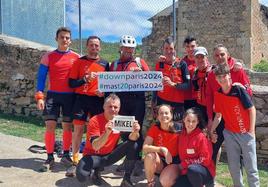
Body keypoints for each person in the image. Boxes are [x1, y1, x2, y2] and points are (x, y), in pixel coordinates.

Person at [35, 27, 79, 171]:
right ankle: (49, 157)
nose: (64, 40)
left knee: (67, 126)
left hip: (70, 96)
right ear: (56, 39)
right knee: (50, 126)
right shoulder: (48, 56)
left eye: (67, 37)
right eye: (62, 37)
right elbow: (41, 78)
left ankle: (66, 155)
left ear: (70, 40)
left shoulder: (76, 57)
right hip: (53, 95)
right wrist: (40, 96)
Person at [210, 63, 259, 187]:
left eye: (224, 76)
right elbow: (218, 116)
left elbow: (251, 109)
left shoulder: (238, 90)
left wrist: (251, 131)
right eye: (219, 77)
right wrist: (211, 130)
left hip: (246, 133)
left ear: (229, 76)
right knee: (233, 167)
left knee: (251, 168)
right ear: (216, 79)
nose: (221, 79)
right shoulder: (218, 94)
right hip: (230, 134)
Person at [75, 94, 140, 187]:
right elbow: (95, 146)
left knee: (134, 144)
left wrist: (135, 131)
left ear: (119, 108)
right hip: (93, 155)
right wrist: (107, 133)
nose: (113, 109)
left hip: (109, 156)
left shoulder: (121, 120)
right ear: (104, 107)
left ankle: (127, 179)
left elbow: (133, 139)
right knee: (82, 177)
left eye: (115, 107)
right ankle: (95, 170)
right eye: (110, 106)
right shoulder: (95, 120)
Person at [66, 36, 109, 176]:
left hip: (97, 101)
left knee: (97, 131)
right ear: (87, 46)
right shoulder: (79, 62)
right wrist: (84, 79)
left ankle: (96, 162)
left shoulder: (105, 64)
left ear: (100, 47)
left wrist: (104, 93)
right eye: (91, 45)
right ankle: (75, 161)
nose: (94, 48)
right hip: (81, 99)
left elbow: (109, 85)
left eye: (96, 45)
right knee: (78, 130)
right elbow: (71, 83)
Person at [109, 35, 150, 175]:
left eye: (131, 48)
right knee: (124, 131)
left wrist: (142, 74)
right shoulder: (114, 65)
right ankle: (127, 159)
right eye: (126, 47)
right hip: (121, 100)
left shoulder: (139, 62)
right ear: (120, 48)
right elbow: (108, 83)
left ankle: (137, 161)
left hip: (137, 100)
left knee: (136, 130)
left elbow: (151, 80)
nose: (129, 50)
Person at [206, 44, 252, 163]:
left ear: (228, 55)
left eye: (222, 54)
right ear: (214, 58)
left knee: (240, 152)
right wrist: (210, 118)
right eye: (217, 55)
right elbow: (209, 97)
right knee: (214, 146)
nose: (220, 57)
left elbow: (249, 92)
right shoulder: (211, 75)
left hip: (237, 117)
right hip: (220, 117)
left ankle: (238, 181)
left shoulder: (237, 70)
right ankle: (211, 178)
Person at [173, 108, 215, 187]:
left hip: (204, 171)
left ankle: (207, 183)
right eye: (188, 120)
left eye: (193, 121)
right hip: (187, 171)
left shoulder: (202, 137)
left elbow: (205, 160)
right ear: (184, 120)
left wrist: (186, 163)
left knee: (192, 169)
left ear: (198, 122)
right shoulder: (181, 135)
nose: (190, 124)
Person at [152, 36, 190, 122]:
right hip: (161, 103)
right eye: (166, 48)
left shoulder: (182, 64)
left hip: (177, 105)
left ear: (175, 49)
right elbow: (155, 86)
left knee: (176, 132)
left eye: (171, 48)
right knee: (162, 131)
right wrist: (153, 103)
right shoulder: (159, 64)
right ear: (163, 49)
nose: (168, 51)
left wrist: (173, 84)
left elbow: (187, 85)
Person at [143, 104, 180, 187]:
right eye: (161, 113)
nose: (164, 115)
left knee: (165, 181)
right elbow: (145, 148)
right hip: (160, 161)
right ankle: (150, 183)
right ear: (158, 116)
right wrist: (162, 149)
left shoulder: (179, 128)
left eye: (166, 113)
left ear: (171, 115)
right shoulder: (155, 128)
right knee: (149, 156)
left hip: (174, 162)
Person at [192, 46, 212, 123]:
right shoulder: (195, 74)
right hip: (200, 107)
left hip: (213, 108)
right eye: (197, 57)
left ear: (206, 58)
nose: (200, 59)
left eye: (202, 57)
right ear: (195, 59)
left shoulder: (213, 72)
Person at [181, 36, 198, 110]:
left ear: (197, 46)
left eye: (193, 46)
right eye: (188, 46)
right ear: (185, 48)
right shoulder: (181, 63)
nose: (190, 49)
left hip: (199, 99)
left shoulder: (202, 61)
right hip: (185, 98)